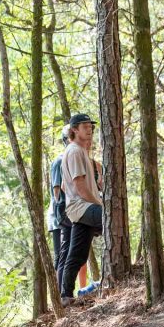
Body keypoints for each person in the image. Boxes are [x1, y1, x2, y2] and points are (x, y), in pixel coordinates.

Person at [60, 113, 103, 306]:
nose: (89, 129)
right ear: (74, 130)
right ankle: (116, 272)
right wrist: (100, 205)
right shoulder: (75, 151)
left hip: (79, 209)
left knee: (77, 254)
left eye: (90, 126)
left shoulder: (79, 151)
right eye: (85, 126)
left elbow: (64, 186)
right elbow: (79, 185)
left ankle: (66, 295)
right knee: (111, 220)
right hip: (82, 207)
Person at [50, 125, 87, 292]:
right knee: (63, 254)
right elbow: (57, 189)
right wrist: (63, 211)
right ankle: (61, 293)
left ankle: (76, 289)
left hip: (70, 210)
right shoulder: (60, 160)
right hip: (62, 214)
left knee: (73, 251)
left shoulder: (74, 157)